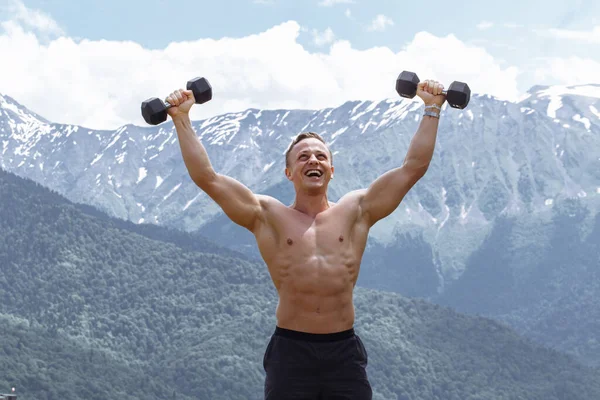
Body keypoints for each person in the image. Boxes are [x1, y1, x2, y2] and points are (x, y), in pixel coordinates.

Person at [165, 78, 446, 399]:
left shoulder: (358, 210)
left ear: (331, 170)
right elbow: (208, 178)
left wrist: (432, 108)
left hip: (343, 353)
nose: (313, 160)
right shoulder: (266, 215)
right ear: (288, 173)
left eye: (320, 156)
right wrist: (181, 117)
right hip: (290, 353)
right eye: (303, 157)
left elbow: (412, 168)